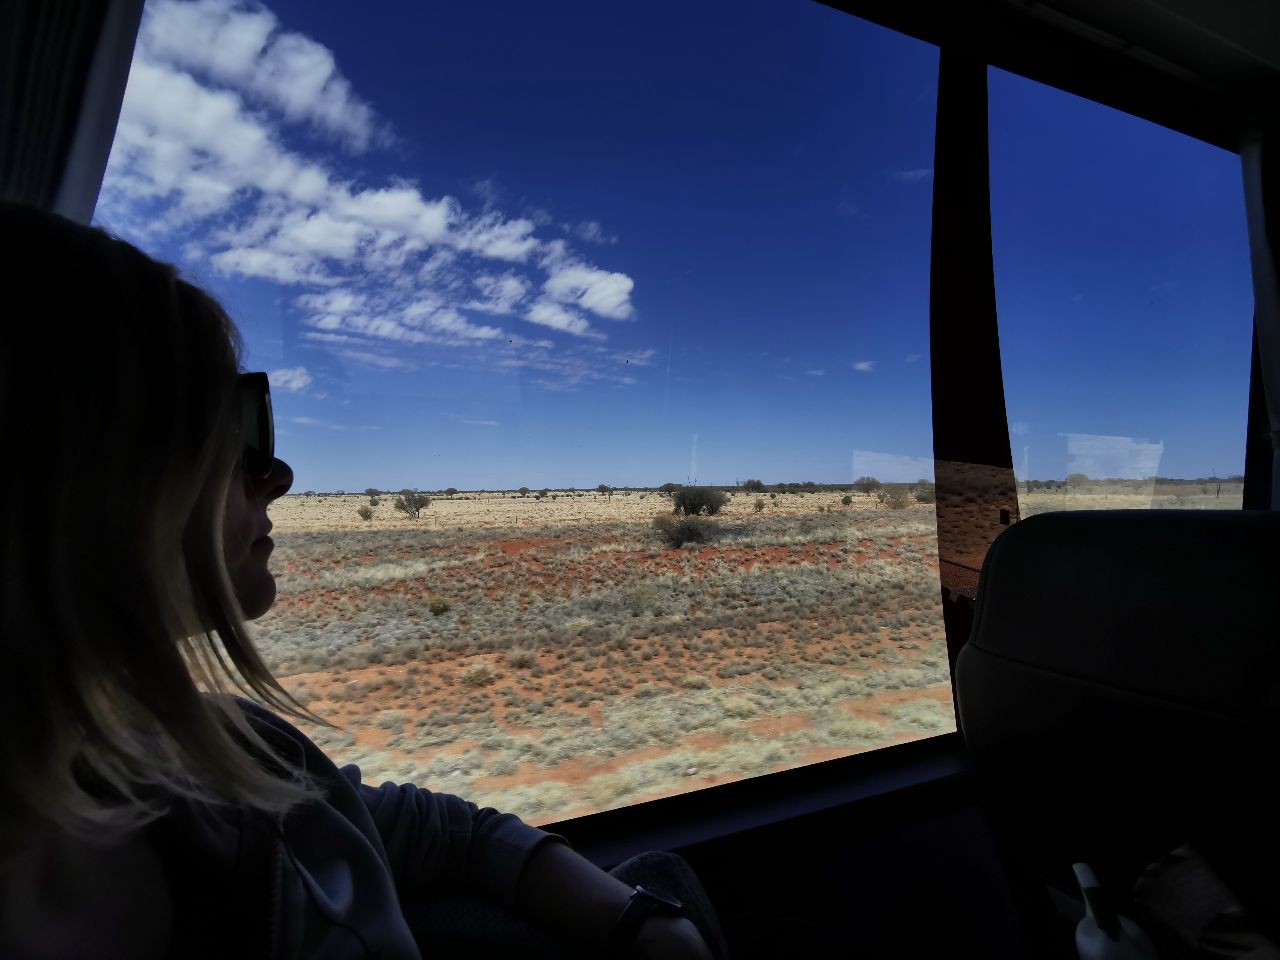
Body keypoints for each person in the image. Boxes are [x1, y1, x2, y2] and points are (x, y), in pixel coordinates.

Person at [0, 203, 730, 960]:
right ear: (84, 482)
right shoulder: (206, 770)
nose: (279, 474)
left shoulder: (227, 756)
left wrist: (635, 920)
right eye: (234, 432)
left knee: (659, 879)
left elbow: (441, 832)